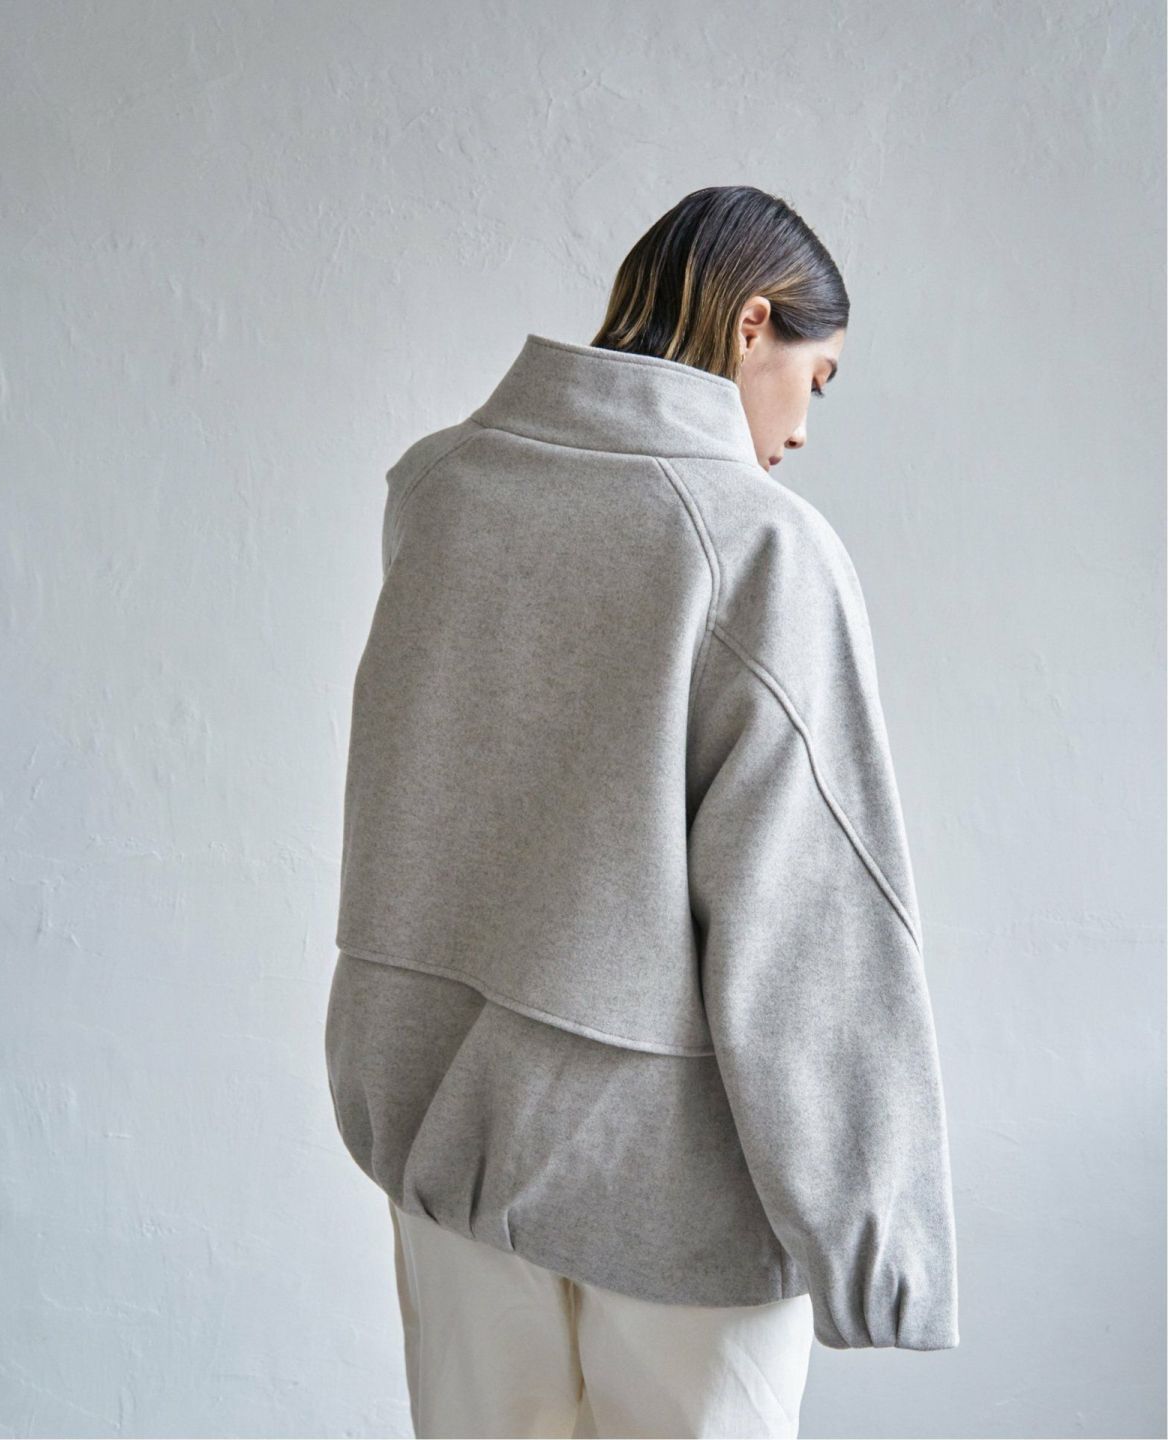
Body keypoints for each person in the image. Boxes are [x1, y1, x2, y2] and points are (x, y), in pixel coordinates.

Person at [325, 184, 960, 1439]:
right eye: (817, 379)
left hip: (447, 1149)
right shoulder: (760, 548)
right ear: (753, 324)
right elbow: (811, 923)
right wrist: (875, 1239)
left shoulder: (439, 490)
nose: (802, 430)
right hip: (679, 1208)